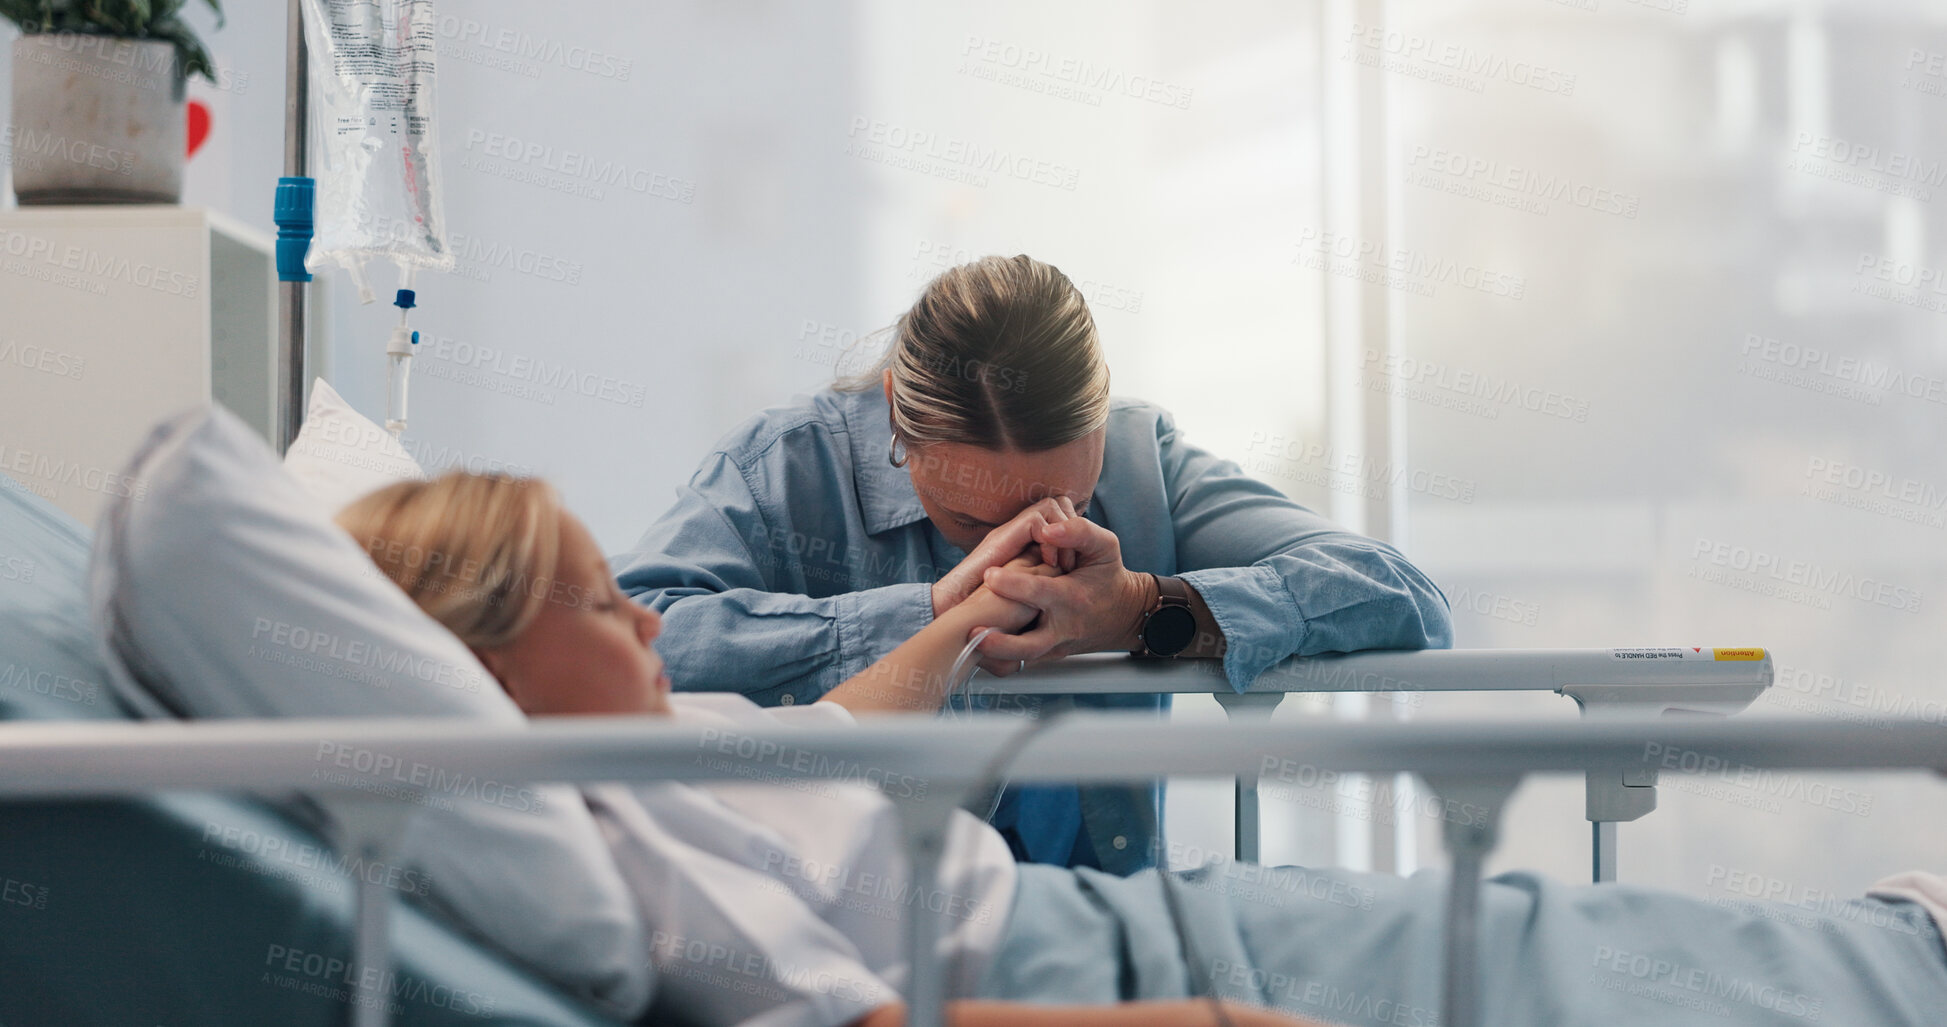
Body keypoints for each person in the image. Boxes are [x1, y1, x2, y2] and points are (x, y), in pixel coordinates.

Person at [340, 472, 1947, 1027]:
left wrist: (960, 617)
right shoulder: (602, 822)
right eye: (594, 595)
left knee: (1567, 943)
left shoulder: (662, 747)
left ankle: (1894, 946)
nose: (643, 611)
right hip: (1088, 961)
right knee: (1553, 968)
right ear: (479, 658)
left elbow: (834, 737)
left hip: (1130, 924)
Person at [614, 254, 1455, 874]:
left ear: (1100, 421)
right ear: (896, 426)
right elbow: (635, 640)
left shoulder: (1141, 458)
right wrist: (927, 617)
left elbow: (1401, 596)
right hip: (853, 922)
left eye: (1066, 504)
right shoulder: (783, 470)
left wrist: (1139, 608)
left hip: (1094, 924)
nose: (1024, 548)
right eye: (969, 520)